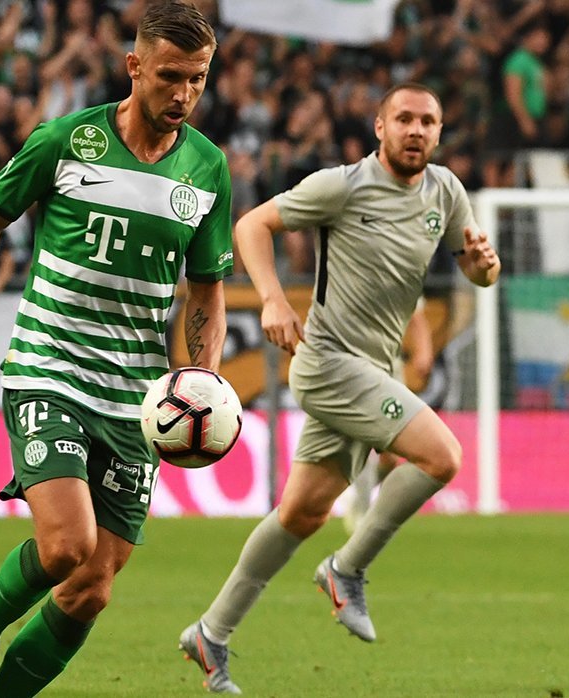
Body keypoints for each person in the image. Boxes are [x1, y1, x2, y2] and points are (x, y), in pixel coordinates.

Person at [0, 3, 233, 696]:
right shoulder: (67, 140)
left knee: (92, 586)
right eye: (170, 76)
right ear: (134, 67)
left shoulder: (208, 168)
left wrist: (202, 383)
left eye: (198, 78)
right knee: (67, 546)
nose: (183, 93)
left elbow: (207, 290)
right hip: (50, 369)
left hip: (135, 398)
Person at [179, 83, 501, 694]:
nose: (415, 130)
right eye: (403, 118)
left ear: (438, 132)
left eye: (427, 121)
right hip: (329, 363)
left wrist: (484, 267)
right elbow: (252, 225)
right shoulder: (343, 186)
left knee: (300, 514)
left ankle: (210, 633)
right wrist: (273, 298)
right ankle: (346, 569)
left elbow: (478, 270)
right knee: (442, 457)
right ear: (380, 127)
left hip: (374, 370)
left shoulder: (446, 192)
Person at [344, 301, 434, 534]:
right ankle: (362, 511)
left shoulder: (398, 276)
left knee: (392, 457)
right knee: (363, 442)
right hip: (356, 369)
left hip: (391, 370)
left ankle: (357, 498)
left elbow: (416, 314)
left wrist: (423, 350)